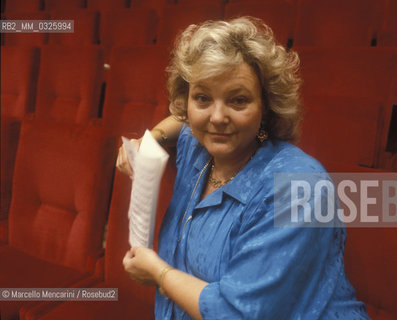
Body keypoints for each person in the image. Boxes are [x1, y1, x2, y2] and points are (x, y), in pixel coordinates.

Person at [118, 17, 369, 320]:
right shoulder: (199, 146)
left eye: (238, 100)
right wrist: (151, 141)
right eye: (203, 98)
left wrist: (158, 274)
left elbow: (238, 313)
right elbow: (183, 123)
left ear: (266, 106)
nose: (217, 117)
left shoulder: (299, 187)